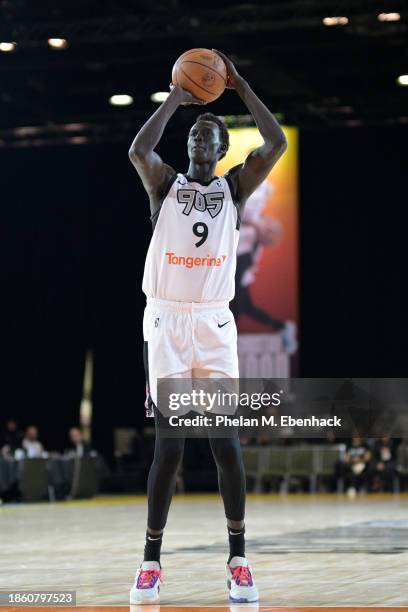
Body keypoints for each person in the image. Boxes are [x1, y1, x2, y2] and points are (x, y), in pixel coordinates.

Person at [128, 49, 287, 604]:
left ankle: (238, 558)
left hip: (214, 325)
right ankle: (150, 562)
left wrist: (239, 89)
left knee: (226, 444)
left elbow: (276, 145)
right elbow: (137, 149)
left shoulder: (234, 190)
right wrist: (177, 93)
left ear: (222, 152)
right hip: (167, 322)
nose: (198, 138)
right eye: (194, 133)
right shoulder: (164, 185)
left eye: (209, 135)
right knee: (168, 448)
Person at [230, 180, 298, 354]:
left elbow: (260, 241)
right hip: (233, 258)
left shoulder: (260, 220)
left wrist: (257, 225)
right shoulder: (245, 197)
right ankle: (282, 326)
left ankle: (230, 340)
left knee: (235, 302)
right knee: (245, 306)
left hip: (241, 260)